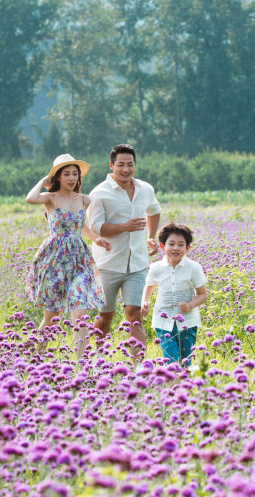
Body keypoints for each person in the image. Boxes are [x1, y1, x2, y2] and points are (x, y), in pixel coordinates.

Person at [25, 154, 110, 358]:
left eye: (75, 174)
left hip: (79, 259)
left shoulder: (84, 199)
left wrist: (96, 239)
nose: (71, 178)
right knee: (51, 316)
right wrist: (42, 182)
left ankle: (81, 363)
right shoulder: (50, 198)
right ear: (58, 177)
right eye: (67, 174)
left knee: (80, 313)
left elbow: (81, 225)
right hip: (54, 259)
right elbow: (30, 198)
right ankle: (35, 357)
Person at [87, 144, 161, 364]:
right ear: (112, 165)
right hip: (107, 264)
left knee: (134, 315)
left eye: (130, 164)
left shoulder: (145, 189)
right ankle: (99, 361)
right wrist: (124, 227)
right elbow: (97, 227)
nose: (126, 169)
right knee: (105, 316)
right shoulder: (99, 193)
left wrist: (151, 235)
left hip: (137, 263)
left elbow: (154, 211)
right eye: (121, 164)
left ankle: (139, 367)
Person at [141, 222, 208, 367]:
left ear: (187, 248)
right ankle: (172, 387)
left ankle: (184, 387)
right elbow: (149, 285)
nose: (176, 248)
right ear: (162, 246)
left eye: (180, 244)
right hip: (163, 320)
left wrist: (190, 305)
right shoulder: (155, 268)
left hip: (187, 322)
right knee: (170, 361)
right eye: (171, 244)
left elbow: (203, 294)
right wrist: (144, 302)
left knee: (185, 361)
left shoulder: (194, 268)